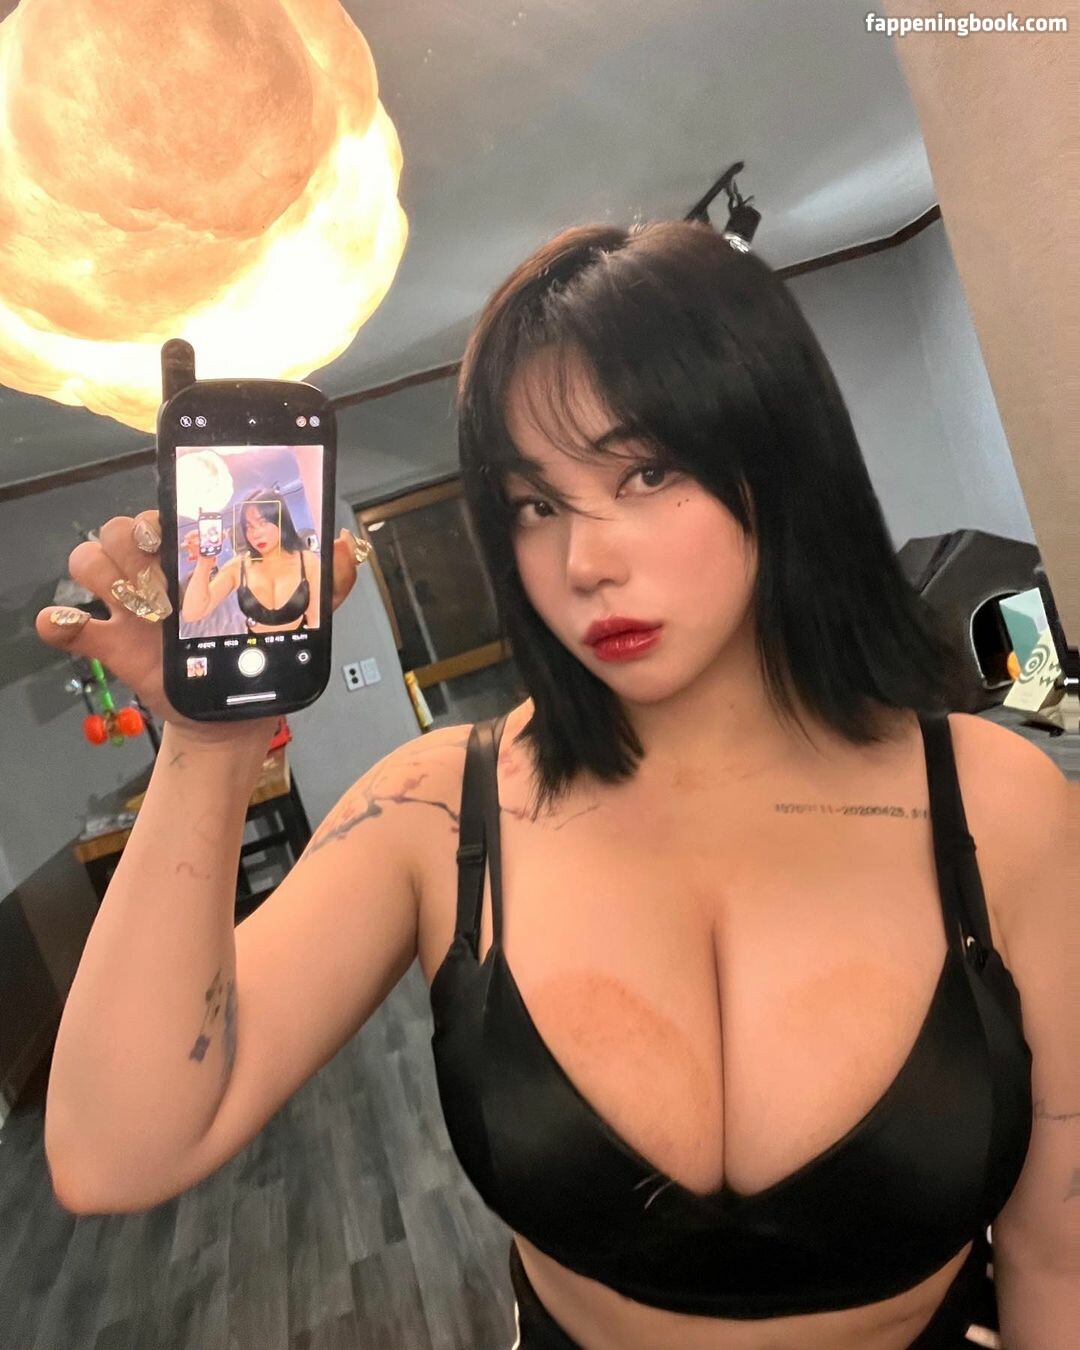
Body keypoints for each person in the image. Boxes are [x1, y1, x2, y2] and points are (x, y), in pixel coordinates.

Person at [36, 220, 1075, 1350]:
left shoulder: (1000, 806)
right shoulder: (440, 812)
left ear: (781, 458)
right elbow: (113, 1153)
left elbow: (1056, 1251)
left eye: (646, 473)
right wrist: (208, 743)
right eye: (535, 503)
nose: (584, 563)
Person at [179, 490, 319, 634]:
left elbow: (316, 618)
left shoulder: (307, 561)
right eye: (249, 526)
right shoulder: (238, 566)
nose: (255, 534)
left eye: (263, 523)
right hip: (253, 645)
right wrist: (204, 561)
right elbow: (192, 614)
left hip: (297, 644)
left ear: (281, 521)